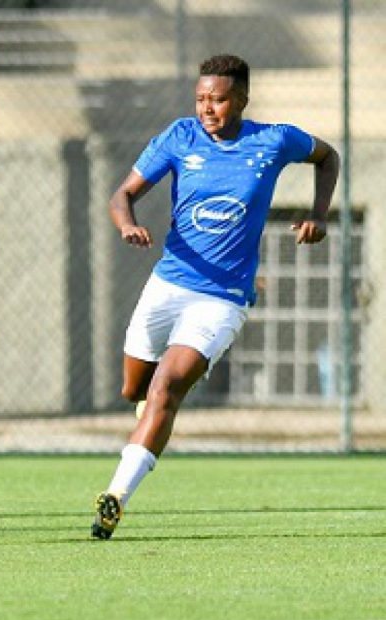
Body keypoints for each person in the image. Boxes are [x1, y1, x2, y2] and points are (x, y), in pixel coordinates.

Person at [90, 54, 340, 540]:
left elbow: (328, 156)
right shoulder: (179, 137)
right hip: (168, 284)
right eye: (201, 98)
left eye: (219, 99)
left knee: (166, 387)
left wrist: (320, 214)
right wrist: (127, 225)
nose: (208, 108)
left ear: (242, 100)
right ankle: (154, 412)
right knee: (133, 390)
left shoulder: (275, 140)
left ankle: (115, 497)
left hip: (223, 297)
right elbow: (123, 194)